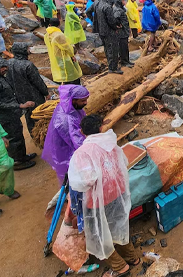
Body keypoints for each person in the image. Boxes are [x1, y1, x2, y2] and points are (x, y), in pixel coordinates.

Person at [68, 114, 139, 277]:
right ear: (101, 127)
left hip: (98, 200)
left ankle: (120, 267)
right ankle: (133, 258)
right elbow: (124, 163)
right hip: (118, 192)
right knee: (118, 226)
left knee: (100, 234)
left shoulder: (82, 153)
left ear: (81, 132)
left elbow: (84, 182)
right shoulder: (111, 144)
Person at [0, 59, 36, 169]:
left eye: (5, 66)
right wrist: (20, 105)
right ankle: (16, 161)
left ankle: (22, 156)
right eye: (2, 67)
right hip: (4, 117)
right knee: (13, 139)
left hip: (11, 114)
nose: (5, 69)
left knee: (18, 135)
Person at [42, 84, 89, 183]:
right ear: (73, 100)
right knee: (71, 175)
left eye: (86, 99)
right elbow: (76, 141)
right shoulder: (65, 119)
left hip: (69, 144)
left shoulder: (70, 107)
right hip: (64, 149)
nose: (86, 103)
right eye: (83, 101)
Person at [7, 42, 49, 135]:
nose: (28, 51)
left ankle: (33, 134)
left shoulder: (9, 63)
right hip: (34, 95)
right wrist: (46, 93)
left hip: (19, 95)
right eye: (26, 49)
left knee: (28, 116)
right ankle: (41, 136)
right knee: (39, 115)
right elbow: (37, 81)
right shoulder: (28, 65)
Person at [93, 0, 123, 74]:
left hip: (101, 30)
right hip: (109, 31)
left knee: (107, 49)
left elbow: (91, 14)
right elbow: (111, 21)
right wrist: (116, 27)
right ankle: (113, 68)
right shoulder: (107, 6)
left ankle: (111, 66)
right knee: (113, 49)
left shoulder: (97, 4)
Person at [45, 18, 83, 84]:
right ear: (59, 24)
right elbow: (67, 47)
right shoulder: (59, 35)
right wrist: (72, 55)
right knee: (71, 73)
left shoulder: (47, 35)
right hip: (63, 56)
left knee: (60, 73)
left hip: (54, 57)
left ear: (49, 25)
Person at [113, 0, 133, 68]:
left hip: (124, 31)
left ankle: (127, 60)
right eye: (123, 0)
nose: (124, 2)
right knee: (122, 48)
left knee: (125, 47)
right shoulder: (118, 10)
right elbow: (115, 18)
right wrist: (118, 25)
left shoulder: (121, 9)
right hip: (121, 32)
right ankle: (124, 62)